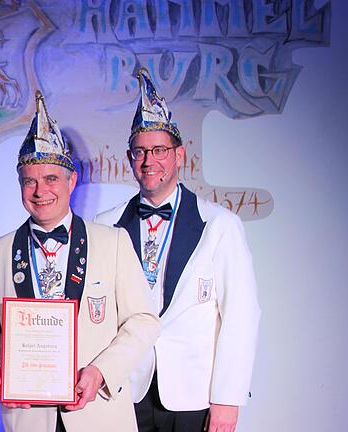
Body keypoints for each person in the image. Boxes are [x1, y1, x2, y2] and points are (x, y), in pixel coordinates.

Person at [0, 91, 160, 432]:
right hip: (28, 416)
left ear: (72, 181)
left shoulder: (113, 242)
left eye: (51, 179)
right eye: (30, 181)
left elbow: (144, 321)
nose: (40, 191)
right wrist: (1, 364)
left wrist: (101, 372)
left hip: (100, 414)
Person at [95, 67, 261, 432]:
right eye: (139, 152)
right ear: (129, 159)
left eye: (159, 150)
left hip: (193, 395)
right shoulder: (103, 226)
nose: (148, 161)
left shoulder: (220, 225)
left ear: (179, 155)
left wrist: (227, 399)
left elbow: (241, 316)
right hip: (124, 388)